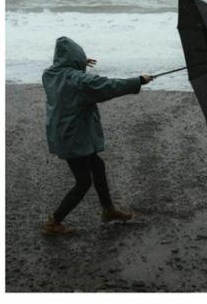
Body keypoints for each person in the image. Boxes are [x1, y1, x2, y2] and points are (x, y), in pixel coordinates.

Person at [42, 36, 153, 235]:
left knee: (97, 165)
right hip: (74, 137)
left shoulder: (50, 75)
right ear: (74, 58)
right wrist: (139, 81)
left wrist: (79, 64)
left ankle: (108, 210)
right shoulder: (77, 80)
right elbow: (108, 86)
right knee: (83, 182)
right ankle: (54, 222)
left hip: (64, 133)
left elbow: (69, 76)